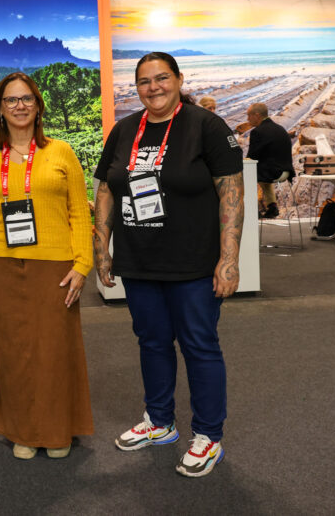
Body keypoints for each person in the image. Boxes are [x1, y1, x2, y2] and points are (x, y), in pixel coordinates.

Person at [93, 52, 243, 479]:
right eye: (144, 81)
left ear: (178, 79)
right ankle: (160, 422)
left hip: (193, 264)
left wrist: (228, 260)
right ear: (135, 87)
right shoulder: (124, 130)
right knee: (151, 342)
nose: (153, 87)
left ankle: (208, 435)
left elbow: (232, 193)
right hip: (140, 262)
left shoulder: (206, 127)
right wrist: (102, 249)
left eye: (162, 78)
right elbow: (106, 189)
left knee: (199, 345)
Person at [0, 72, 94, 461]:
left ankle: (55, 431)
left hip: (55, 267)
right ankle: (21, 429)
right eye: (10, 100)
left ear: (38, 106)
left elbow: (78, 214)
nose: (19, 106)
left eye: (26, 99)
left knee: (54, 351)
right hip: (2, 267)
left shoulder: (61, 152)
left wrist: (83, 264)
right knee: (13, 353)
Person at [245, 103, 294, 219]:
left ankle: (252, 210)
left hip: (272, 172)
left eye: (249, 116)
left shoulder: (257, 132)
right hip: (285, 172)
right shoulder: (280, 129)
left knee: (244, 173)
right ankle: (272, 207)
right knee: (263, 174)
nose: (247, 119)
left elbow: (251, 158)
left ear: (257, 115)